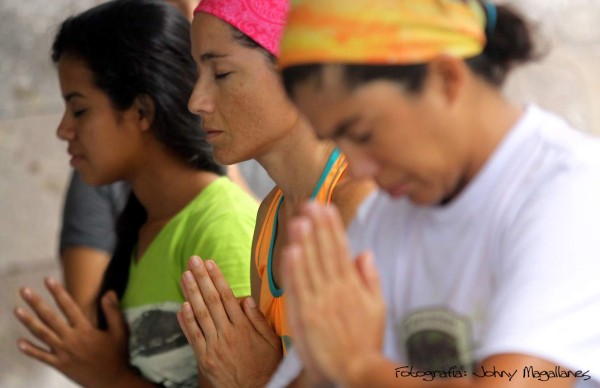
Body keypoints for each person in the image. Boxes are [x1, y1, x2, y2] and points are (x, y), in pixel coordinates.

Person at [272, 0, 600, 386]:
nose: (357, 169)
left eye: (362, 134)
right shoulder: (382, 218)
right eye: (339, 143)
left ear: (446, 78)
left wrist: (359, 368)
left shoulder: (572, 190)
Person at [14, 1, 256, 386]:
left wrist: (110, 376)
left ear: (142, 112)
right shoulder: (143, 227)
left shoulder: (222, 226)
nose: (63, 130)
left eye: (79, 110)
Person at [175, 0, 375, 386]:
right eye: (197, 73)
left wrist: (257, 378)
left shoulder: (360, 204)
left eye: (221, 72)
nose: (196, 101)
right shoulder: (272, 213)